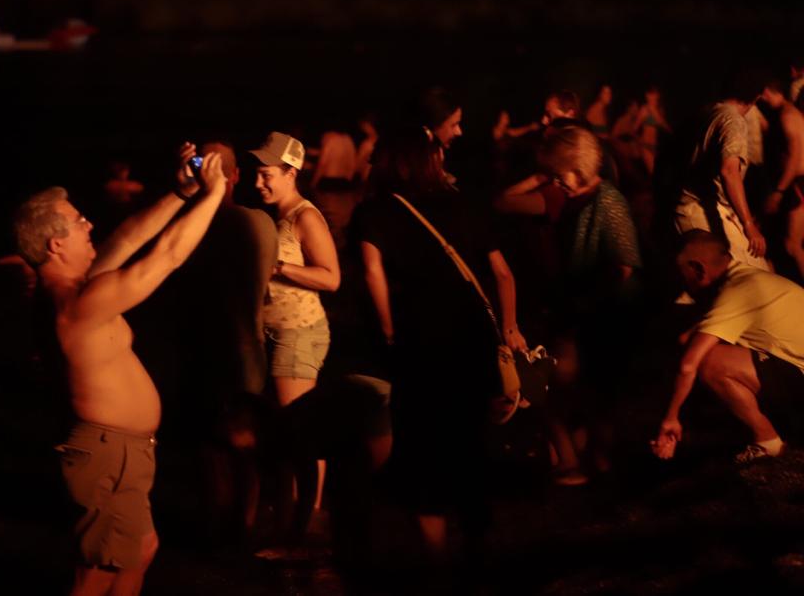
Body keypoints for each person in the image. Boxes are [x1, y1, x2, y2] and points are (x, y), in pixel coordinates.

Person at [14, 145, 226, 596]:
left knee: (141, 549)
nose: (89, 224)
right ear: (56, 244)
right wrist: (214, 194)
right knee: (94, 572)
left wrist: (179, 193)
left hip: (121, 451)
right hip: (107, 454)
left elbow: (129, 240)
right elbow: (165, 257)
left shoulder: (75, 286)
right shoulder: (75, 305)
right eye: (78, 222)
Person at [356, 126, 527, 563]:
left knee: (422, 449)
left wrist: (389, 331)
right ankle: (478, 546)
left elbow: (373, 274)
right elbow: (504, 273)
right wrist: (508, 327)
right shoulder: (464, 204)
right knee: (469, 442)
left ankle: (436, 561)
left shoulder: (375, 212)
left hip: (421, 343)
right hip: (472, 340)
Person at [495, 126, 642, 482]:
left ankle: (576, 465)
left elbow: (623, 266)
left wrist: (586, 305)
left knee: (560, 394)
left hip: (596, 316)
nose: (555, 182)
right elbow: (502, 202)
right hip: (581, 312)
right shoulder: (572, 199)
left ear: (577, 169)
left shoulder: (607, 201)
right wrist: (542, 174)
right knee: (580, 394)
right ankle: (591, 463)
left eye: (559, 174)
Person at [171, 140, 278, 542]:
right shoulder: (261, 223)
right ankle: (244, 526)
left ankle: (217, 527)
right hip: (249, 346)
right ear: (235, 176)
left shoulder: (190, 226)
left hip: (203, 347)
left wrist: (181, 193)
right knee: (245, 443)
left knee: (210, 444)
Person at [251, 131, 340, 541]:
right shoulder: (276, 216)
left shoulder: (306, 216)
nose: (259, 183)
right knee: (287, 428)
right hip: (276, 333)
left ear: (291, 172)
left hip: (300, 332)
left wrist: (278, 268)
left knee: (298, 429)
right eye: (256, 174)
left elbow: (331, 277)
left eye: (267, 174)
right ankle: (294, 515)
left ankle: (310, 519)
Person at [654, 230, 804, 463]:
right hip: (795, 368)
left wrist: (671, 418)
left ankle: (768, 441)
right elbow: (687, 337)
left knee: (710, 361)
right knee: (702, 348)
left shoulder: (737, 291)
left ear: (698, 269)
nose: (683, 286)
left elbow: (688, 365)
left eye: (682, 275)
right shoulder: (748, 278)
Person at [674, 82, 770, 271]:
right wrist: (748, 224)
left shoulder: (708, 112)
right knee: (749, 272)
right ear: (756, 98)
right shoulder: (733, 121)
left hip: (691, 207)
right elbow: (729, 171)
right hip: (703, 209)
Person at [759, 81, 804, 281]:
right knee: (787, 243)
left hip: (798, 184)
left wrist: (779, 191)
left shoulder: (787, 116)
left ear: (767, 92)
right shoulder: (785, 114)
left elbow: (796, 156)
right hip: (795, 184)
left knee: (792, 245)